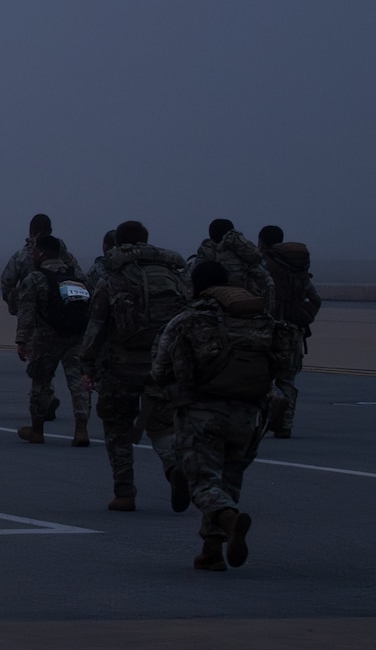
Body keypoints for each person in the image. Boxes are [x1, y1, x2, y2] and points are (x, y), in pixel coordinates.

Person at [151, 260, 302, 571]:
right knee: (229, 480)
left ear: (196, 285)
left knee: (203, 483)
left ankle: (229, 520)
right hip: (248, 413)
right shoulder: (257, 318)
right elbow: (286, 365)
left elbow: (161, 368)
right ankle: (212, 549)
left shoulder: (189, 319)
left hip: (202, 413)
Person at [77, 221, 190, 510]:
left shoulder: (113, 278)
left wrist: (86, 363)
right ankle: (174, 467)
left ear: (119, 244)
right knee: (162, 425)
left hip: (121, 366)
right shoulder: (174, 276)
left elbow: (96, 328)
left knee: (117, 428)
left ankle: (124, 491)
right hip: (164, 366)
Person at [14, 236, 91, 444]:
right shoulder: (77, 276)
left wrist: (22, 340)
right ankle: (81, 430)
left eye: (35, 252)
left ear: (42, 254)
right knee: (77, 383)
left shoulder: (35, 279)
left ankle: (37, 430)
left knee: (40, 382)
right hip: (76, 337)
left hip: (46, 340)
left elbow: (26, 312)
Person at [258, 225, 322, 438]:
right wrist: (303, 316)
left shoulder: (263, 266)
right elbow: (314, 299)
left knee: (261, 377)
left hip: (267, 329)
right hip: (293, 331)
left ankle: (265, 419)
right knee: (287, 381)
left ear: (262, 242)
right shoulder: (298, 269)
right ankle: (285, 424)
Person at [194, 220, 273, 305]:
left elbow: (191, 278)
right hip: (245, 302)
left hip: (214, 303)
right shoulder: (246, 255)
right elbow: (267, 283)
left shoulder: (206, 253)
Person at [0, 214, 59, 315]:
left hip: (31, 316)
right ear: (50, 231)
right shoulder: (63, 254)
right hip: (61, 317)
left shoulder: (21, 256)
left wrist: (21, 303)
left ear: (30, 231)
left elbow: (6, 285)